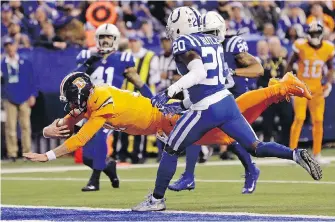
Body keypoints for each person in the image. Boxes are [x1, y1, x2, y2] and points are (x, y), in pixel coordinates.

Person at [131, 6, 321, 212]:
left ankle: (156, 199)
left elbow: (198, 73)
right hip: (226, 102)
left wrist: (169, 92)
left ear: (179, 25)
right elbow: (211, 80)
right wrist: (183, 104)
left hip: (206, 108)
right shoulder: (211, 41)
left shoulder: (184, 42)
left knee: (171, 148)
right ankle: (295, 154)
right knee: (255, 146)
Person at [168, 11, 264, 194]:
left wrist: (234, 72)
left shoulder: (232, 44)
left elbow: (258, 69)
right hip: (212, 97)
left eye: (211, 33)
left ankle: (251, 169)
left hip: (235, 97)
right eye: (204, 33)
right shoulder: (198, 45)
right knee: (195, 132)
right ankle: (189, 176)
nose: (208, 37)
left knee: (232, 140)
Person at [73, 23, 153, 191]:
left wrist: (152, 100)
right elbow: (75, 79)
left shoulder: (123, 58)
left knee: (101, 138)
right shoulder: (87, 56)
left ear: (115, 39)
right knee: (87, 156)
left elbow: (137, 81)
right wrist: (87, 64)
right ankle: (109, 167)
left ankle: (94, 181)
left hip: (111, 106)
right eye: (102, 37)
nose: (105, 40)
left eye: (109, 37)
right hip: (90, 108)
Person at [286, 22, 334, 164]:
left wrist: (329, 83)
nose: (315, 37)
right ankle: (292, 153)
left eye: (316, 34)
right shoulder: (300, 46)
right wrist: (288, 81)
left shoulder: (328, 48)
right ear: (307, 34)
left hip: (318, 90)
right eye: (312, 34)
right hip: (301, 88)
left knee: (318, 120)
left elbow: (331, 68)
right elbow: (290, 64)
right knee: (299, 118)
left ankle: (317, 153)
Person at [1, 37, 37, 162]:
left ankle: (27, 152)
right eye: (7, 46)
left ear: (15, 46)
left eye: (11, 45)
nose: (9, 48)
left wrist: (33, 94)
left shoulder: (25, 62)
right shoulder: (2, 64)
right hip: (9, 98)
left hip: (24, 97)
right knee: (10, 127)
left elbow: (32, 79)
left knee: (26, 126)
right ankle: (12, 153)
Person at [258, 37, 293, 146]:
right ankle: (267, 144)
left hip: (283, 95)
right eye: (272, 45)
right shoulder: (265, 63)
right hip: (270, 96)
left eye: (276, 45)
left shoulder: (285, 61)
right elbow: (261, 79)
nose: (274, 48)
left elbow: (291, 74)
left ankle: (286, 143)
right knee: (267, 121)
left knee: (287, 118)